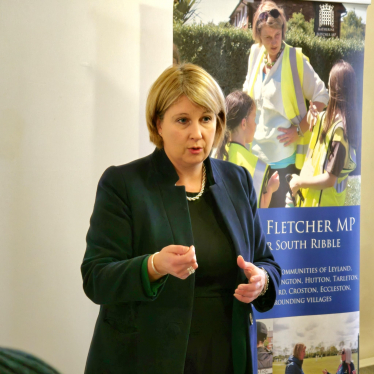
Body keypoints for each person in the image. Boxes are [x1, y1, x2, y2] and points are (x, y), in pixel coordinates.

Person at [81, 63, 281, 374]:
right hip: (147, 358)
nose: (197, 133)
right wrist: (153, 266)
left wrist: (262, 280)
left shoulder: (237, 179)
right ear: (158, 124)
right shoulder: (123, 184)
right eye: (183, 120)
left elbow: (266, 261)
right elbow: (96, 278)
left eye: (206, 119)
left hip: (226, 356)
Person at [243, 0, 329, 207]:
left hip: (283, 160)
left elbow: (322, 96)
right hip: (254, 156)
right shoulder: (255, 54)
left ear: (283, 31)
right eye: (267, 38)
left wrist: (300, 130)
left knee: (279, 226)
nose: (274, 42)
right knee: (256, 225)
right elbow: (247, 95)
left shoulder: (295, 59)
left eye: (278, 36)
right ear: (259, 37)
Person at [289, 61, 357, 207]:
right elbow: (315, 124)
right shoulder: (326, 117)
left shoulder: (340, 132)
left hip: (325, 213)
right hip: (311, 205)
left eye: (329, 84)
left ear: (334, 89)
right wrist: (311, 116)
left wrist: (299, 182)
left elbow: (330, 180)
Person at [216, 90, 279, 208]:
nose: (255, 125)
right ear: (244, 123)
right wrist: (270, 188)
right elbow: (259, 209)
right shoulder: (255, 165)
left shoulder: (216, 154)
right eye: (254, 119)